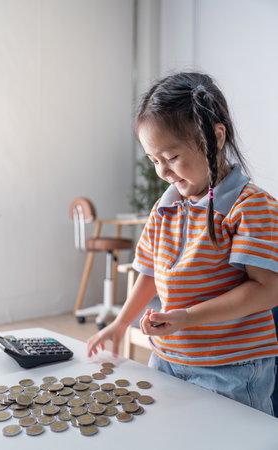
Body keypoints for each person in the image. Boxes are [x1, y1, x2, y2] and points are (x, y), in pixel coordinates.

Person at [87, 72, 278, 415]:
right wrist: (120, 322)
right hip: (168, 359)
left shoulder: (251, 206)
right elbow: (149, 270)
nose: (162, 171)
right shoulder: (167, 205)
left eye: (171, 157)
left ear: (215, 137)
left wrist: (188, 317)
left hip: (231, 368)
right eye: (154, 160)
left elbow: (267, 289)